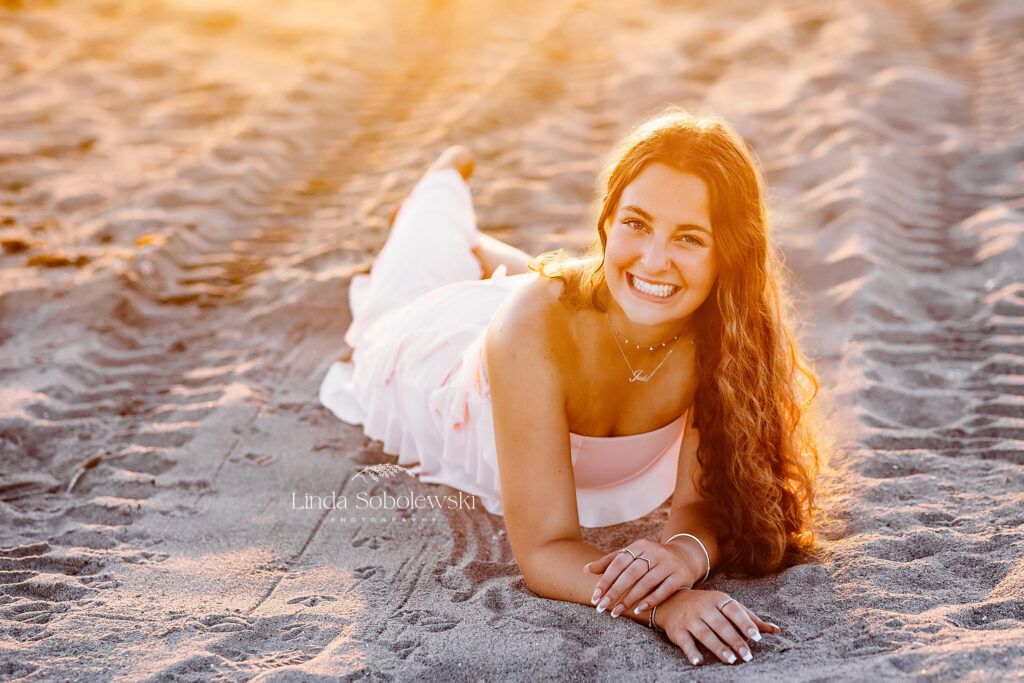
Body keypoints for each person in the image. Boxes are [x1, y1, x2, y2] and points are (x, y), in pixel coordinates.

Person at [319, 106, 824, 667]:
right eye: (636, 223)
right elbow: (544, 551)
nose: (657, 257)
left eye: (689, 237)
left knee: (619, 286)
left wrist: (683, 556)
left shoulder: (729, 338)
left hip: (571, 312)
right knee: (390, 310)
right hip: (444, 362)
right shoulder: (530, 327)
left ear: (728, 252)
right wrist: (664, 602)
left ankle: (483, 249)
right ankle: (439, 193)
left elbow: (703, 504)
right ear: (606, 223)